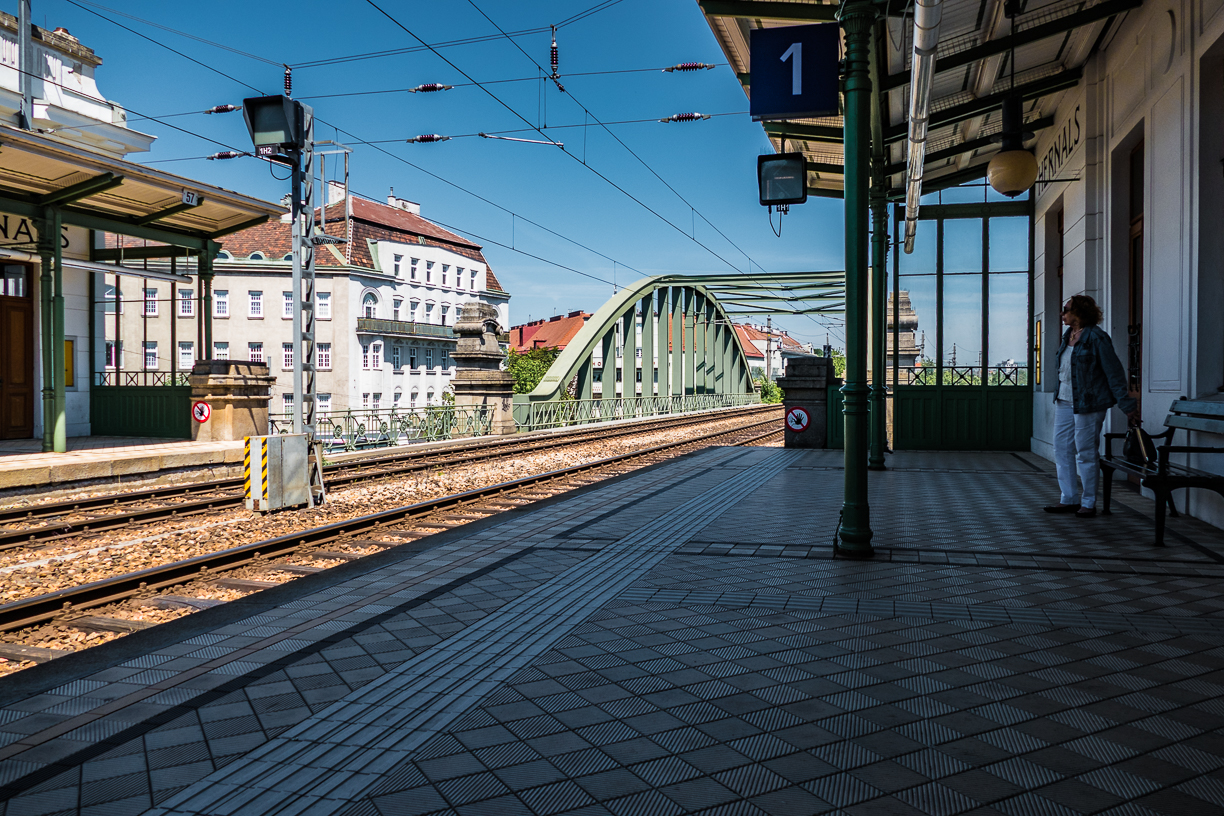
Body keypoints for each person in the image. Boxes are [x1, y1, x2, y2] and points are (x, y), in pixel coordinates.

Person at [1044, 294, 1139, 517]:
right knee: (1062, 448)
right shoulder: (1067, 335)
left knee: (1086, 451)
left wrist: (1127, 405)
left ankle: (1088, 502)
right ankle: (1068, 498)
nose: (1062, 313)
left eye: (1066, 309)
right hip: (1064, 400)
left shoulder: (1097, 338)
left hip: (1089, 402)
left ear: (1079, 313)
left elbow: (1114, 372)